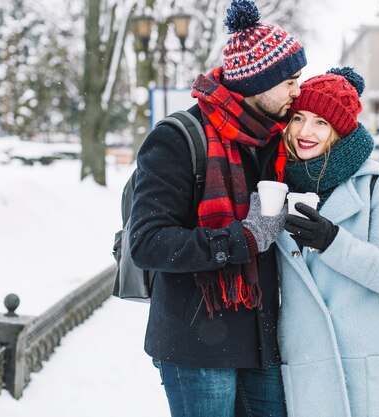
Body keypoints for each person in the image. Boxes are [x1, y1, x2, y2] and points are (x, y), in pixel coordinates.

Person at [128, 0, 306, 416]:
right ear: (259, 81)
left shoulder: (276, 140)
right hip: (196, 343)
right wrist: (242, 238)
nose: (298, 91)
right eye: (290, 81)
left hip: (265, 339)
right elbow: (149, 243)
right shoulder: (177, 138)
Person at [276, 67, 379, 417]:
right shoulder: (273, 185)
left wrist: (333, 241)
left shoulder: (374, 186)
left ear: (340, 131)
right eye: (299, 118)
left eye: (322, 123)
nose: (305, 132)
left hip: (367, 377)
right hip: (306, 371)